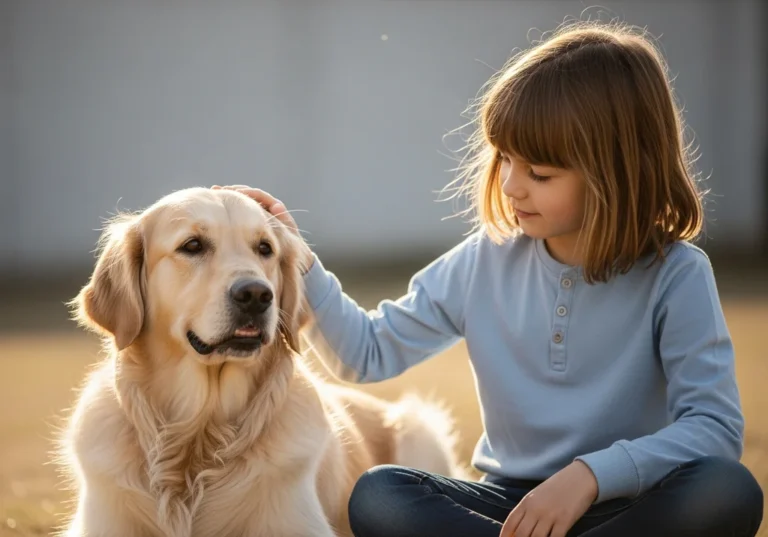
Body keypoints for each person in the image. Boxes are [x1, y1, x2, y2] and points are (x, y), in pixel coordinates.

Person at [214, 20, 763, 537]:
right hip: (507, 509)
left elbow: (713, 428)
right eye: (505, 161)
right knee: (381, 494)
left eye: (540, 174)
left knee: (727, 489)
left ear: (616, 172)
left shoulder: (678, 275)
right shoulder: (483, 261)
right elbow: (366, 351)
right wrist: (300, 257)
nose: (512, 186)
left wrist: (588, 477)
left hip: (632, 502)